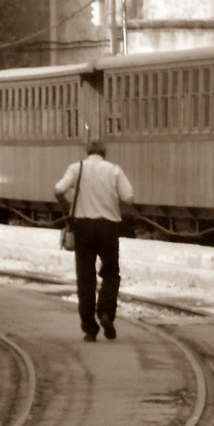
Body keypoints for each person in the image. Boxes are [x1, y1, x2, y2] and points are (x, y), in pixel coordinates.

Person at [55, 139, 136, 342]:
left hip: (83, 227)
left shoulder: (76, 168)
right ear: (103, 154)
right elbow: (128, 197)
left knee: (85, 278)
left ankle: (90, 329)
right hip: (108, 228)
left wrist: (67, 204)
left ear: (87, 153)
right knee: (110, 273)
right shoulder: (114, 170)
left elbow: (58, 189)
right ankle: (106, 313)